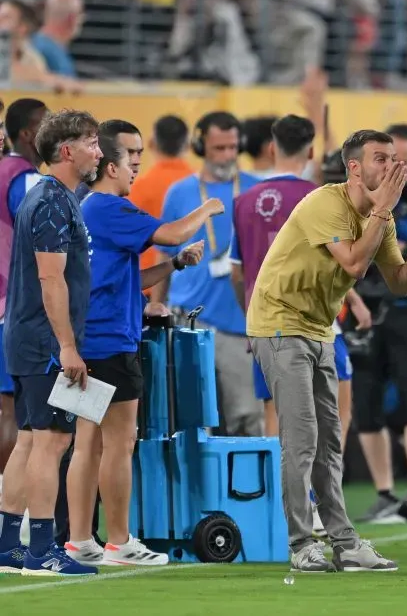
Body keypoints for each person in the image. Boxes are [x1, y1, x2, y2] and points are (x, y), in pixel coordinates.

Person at [247, 128, 407, 573]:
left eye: (393, 158)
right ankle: (302, 543)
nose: (391, 166)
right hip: (279, 322)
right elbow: (353, 264)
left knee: (330, 443)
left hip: (320, 327)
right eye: (380, 158)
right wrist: (383, 211)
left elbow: (399, 281)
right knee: (302, 439)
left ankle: (344, 543)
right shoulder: (326, 203)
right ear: (354, 168)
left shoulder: (380, 217)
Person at [63, 133, 214, 567]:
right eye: (131, 160)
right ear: (110, 167)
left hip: (88, 337)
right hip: (110, 340)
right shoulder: (110, 207)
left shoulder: (85, 207)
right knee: (119, 442)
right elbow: (172, 231)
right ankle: (119, 542)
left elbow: (127, 279)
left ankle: (80, 541)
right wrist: (208, 208)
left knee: (87, 443)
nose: (135, 168)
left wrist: (175, 265)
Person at [229, 115, 368, 535]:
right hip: (314, 323)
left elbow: (238, 272)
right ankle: (314, 513)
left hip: (264, 325)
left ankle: (280, 514)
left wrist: (251, 318)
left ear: (272, 148)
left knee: (278, 421)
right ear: (310, 152)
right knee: (332, 420)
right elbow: (338, 263)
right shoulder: (321, 197)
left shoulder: (245, 199)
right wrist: (356, 304)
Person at [0, 109, 102, 576]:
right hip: (44, 341)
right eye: (92, 143)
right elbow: (50, 277)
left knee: (27, 441)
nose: (98, 152)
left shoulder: (49, 197)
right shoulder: (52, 202)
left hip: (27, 336)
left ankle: (7, 545)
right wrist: (66, 346)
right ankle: (42, 549)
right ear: (67, 151)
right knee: (51, 442)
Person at [150, 112, 263, 437]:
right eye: (218, 148)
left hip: (239, 323)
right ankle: (197, 488)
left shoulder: (257, 190)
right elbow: (164, 254)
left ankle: (247, 489)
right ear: (201, 147)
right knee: (191, 418)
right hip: (189, 319)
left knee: (248, 417)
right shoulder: (179, 192)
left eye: (232, 147)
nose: (227, 155)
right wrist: (157, 309)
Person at [350, 122, 407, 525]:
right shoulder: (356, 194)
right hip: (364, 307)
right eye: (389, 158)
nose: (399, 166)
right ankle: (385, 493)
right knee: (365, 403)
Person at [0, 99, 48, 501]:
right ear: (31, 133)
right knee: (15, 417)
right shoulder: (27, 181)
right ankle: (11, 510)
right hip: (12, 309)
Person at [127, 115, 194, 281]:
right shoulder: (199, 187)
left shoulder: (136, 187)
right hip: (189, 282)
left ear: (151, 143)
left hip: (149, 279)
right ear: (189, 145)